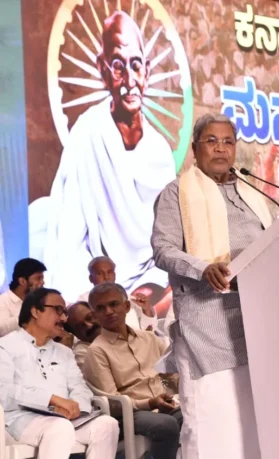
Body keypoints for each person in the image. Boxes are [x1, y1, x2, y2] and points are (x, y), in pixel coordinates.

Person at [151, 113, 275, 459]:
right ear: (195, 148)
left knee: (255, 426)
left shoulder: (251, 194)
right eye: (212, 141)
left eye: (228, 141)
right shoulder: (177, 193)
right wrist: (202, 267)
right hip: (208, 328)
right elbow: (162, 249)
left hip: (257, 322)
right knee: (211, 427)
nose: (221, 148)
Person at [30, 11, 176, 302]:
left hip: (149, 278)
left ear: (147, 71)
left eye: (136, 65)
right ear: (103, 69)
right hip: (93, 276)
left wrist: (145, 290)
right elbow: (70, 230)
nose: (130, 80)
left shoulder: (160, 152)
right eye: (118, 66)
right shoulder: (88, 132)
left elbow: (169, 242)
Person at [0, 288, 119, 459]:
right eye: (58, 310)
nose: (64, 318)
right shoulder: (5, 346)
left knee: (107, 424)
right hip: (16, 420)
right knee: (59, 428)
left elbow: (79, 387)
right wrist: (51, 400)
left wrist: (75, 407)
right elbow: (4, 393)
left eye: (64, 312)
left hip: (64, 419)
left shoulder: (64, 352)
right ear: (35, 311)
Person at [83, 283, 181, 459]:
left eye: (114, 304)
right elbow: (112, 402)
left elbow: (170, 377)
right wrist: (149, 403)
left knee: (193, 415)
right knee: (165, 425)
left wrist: (171, 396)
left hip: (165, 405)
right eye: (101, 308)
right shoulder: (97, 351)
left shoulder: (150, 338)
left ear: (127, 306)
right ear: (94, 316)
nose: (108, 311)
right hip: (131, 414)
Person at [77, 256, 158, 331]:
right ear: (91, 278)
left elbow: (150, 330)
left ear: (114, 275)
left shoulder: (130, 299)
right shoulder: (83, 302)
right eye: (100, 273)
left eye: (109, 272)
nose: (106, 277)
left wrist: (146, 309)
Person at [0, 258, 46, 337]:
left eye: (42, 278)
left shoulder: (41, 301)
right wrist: (28, 314)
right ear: (22, 281)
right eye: (38, 278)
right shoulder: (3, 300)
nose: (43, 282)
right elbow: (1, 329)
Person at [64, 302, 101, 369]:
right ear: (75, 334)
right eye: (80, 326)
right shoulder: (82, 353)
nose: (89, 326)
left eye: (89, 318)